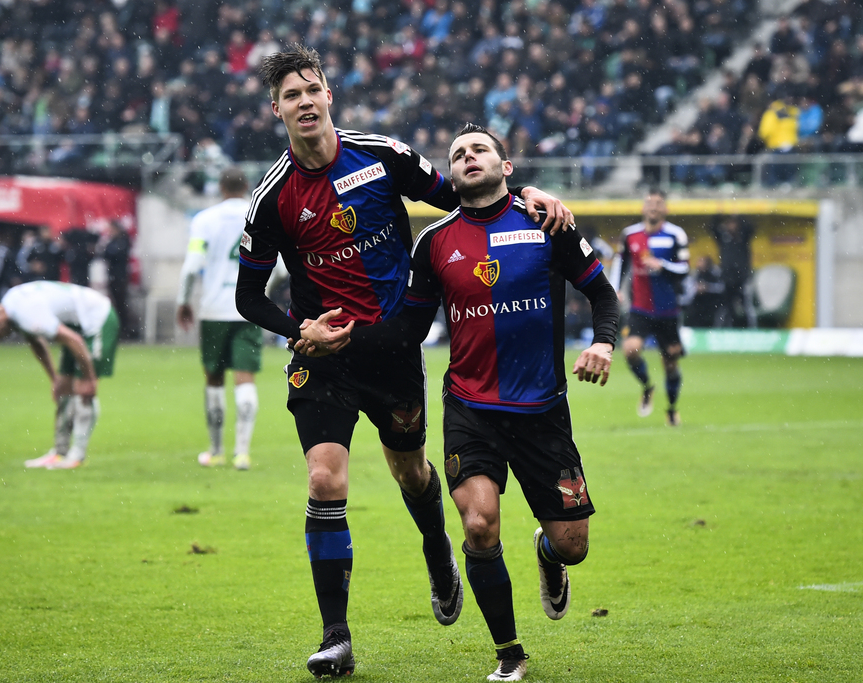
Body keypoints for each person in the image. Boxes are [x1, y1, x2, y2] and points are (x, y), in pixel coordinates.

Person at [234, 45, 573, 678]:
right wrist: (298, 327)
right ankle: (336, 635)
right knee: (324, 481)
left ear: (328, 94)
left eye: (313, 88)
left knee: (414, 475)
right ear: (274, 108)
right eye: (291, 95)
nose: (304, 101)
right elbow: (247, 295)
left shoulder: (382, 156)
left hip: (391, 351)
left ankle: (435, 544)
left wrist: (528, 191)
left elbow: (469, 194)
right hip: (324, 357)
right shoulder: (274, 197)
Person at [298, 123, 619, 682]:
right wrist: (333, 339)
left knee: (574, 547)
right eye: (458, 154)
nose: (468, 158)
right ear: (450, 175)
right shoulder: (434, 242)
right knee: (478, 525)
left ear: (506, 167)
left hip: (543, 410)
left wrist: (603, 343)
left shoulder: (546, 222)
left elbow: (601, 291)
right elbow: (408, 330)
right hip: (471, 409)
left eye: (480, 150)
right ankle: (509, 654)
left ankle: (547, 551)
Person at [0, 281, 119, 469]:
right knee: (63, 389)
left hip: (97, 320)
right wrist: (54, 379)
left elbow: (74, 340)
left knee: (83, 390)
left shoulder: (26, 314)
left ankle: (77, 456)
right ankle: (60, 453)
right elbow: (37, 343)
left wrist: (89, 378)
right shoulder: (11, 304)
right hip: (77, 325)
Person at [177, 168, 261, 471]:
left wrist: (184, 301)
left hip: (213, 308)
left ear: (221, 188)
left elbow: (192, 265)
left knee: (214, 378)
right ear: (246, 186)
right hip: (248, 309)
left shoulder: (204, 220)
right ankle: (242, 453)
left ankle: (215, 451)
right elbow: (279, 266)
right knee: (245, 377)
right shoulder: (259, 214)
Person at [610, 189, 690, 426]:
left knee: (671, 363)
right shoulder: (630, 235)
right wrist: (615, 288)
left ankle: (672, 409)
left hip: (668, 310)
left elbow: (685, 269)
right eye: (649, 203)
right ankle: (647, 386)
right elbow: (620, 263)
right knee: (630, 349)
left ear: (665, 208)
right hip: (640, 307)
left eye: (658, 203)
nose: (653, 207)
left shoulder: (676, 235)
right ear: (643, 208)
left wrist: (662, 265)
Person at [709, 215, 756, 327]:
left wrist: (739, 215)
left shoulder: (743, 238)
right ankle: (723, 330)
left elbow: (750, 228)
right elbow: (712, 227)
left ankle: (752, 330)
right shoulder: (724, 239)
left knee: (747, 307)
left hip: (742, 279)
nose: (731, 226)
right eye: (729, 224)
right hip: (727, 279)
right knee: (725, 308)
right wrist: (718, 214)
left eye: (734, 223)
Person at [101, 220, 134, 339]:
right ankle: (120, 330)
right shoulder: (114, 241)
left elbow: (114, 254)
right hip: (114, 277)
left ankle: (125, 330)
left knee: (121, 304)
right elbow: (105, 254)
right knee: (116, 304)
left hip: (120, 277)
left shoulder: (122, 241)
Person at [681, 255, 725, 327]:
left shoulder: (714, 273)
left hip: (712, 301)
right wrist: (696, 288)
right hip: (698, 302)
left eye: (701, 261)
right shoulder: (696, 274)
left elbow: (721, 287)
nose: (699, 264)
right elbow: (687, 286)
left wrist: (707, 287)